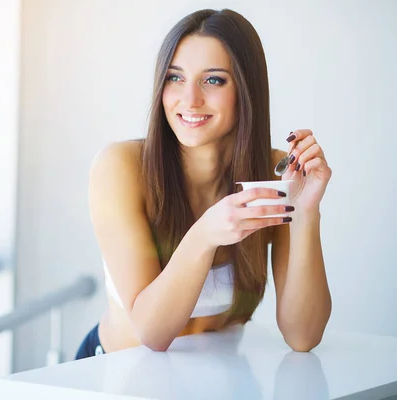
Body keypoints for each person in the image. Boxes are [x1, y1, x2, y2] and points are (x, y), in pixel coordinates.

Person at [75, 8, 332, 360]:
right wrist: (206, 233)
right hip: (115, 379)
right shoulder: (120, 168)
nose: (189, 99)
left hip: (216, 384)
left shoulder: (276, 172)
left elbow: (303, 335)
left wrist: (305, 211)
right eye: (175, 78)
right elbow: (152, 332)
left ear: (246, 89)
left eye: (213, 80)